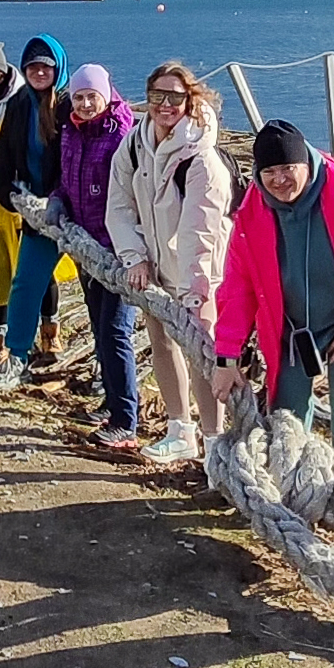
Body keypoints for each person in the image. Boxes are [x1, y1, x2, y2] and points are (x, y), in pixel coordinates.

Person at [214, 120, 334, 463]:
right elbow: (237, 287)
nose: (279, 179)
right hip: (289, 327)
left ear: (306, 163)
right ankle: (293, 483)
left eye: (288, 168)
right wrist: (226, 356)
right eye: (269, 171)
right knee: (285, 408)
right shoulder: (252, 214)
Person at [107, 60, 234, 463]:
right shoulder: (134, 144)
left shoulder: (202, 160)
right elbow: (119, 206)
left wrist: (196, 293)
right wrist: (135, 257)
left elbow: (201, 232)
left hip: (199, 271)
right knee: (161, 342)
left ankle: (215, 444)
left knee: (202, 354)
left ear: (189, 100)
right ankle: (180, 430)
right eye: (158, 96)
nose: (165, 105)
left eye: (175, 97)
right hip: (155, 263)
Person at [49, 65, 139, 448]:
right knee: (99, 327)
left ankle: (125, 418)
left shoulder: (121, 134)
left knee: (116, 332)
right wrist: (57, 198)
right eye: (79, 97)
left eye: (92, 97)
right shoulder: (71, 130)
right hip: (87, 247)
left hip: (117, 251)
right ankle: (110, 401)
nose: (85, 104)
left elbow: (133, 191)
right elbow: (67, 177)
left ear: (106, 95)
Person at [0, 34, 75, 392]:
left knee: (100, 291)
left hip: (77, 213)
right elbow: (5, 148)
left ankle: (108, 372)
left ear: (58, 69)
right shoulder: (19, 103)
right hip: (38, 213)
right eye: (33, 66)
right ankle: (18, 357)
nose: (40, 72)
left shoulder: (72, 104)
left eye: (46, 66)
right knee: (25, 283)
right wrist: (4, 186)